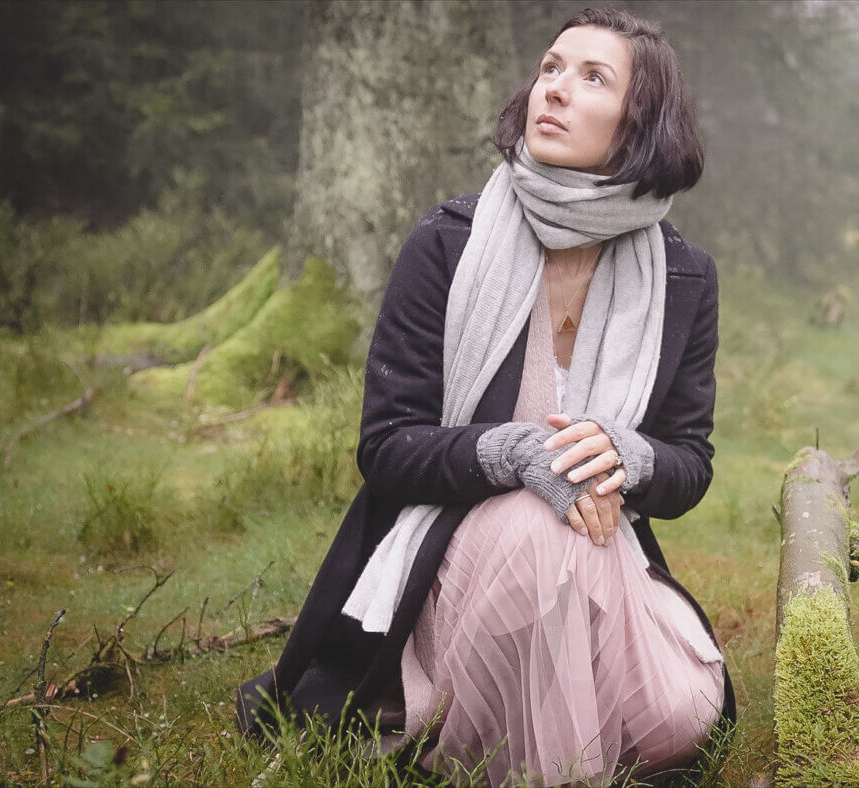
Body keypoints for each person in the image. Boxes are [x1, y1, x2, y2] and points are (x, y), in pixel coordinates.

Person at [235, 6, 735, 785]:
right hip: (453, 555)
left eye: (592, 77)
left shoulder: (684, 276)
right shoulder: (448, 242)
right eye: (550, 68)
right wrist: (517, 453)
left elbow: (689, 464)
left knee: (677, 720)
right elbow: (387, 446)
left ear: (642, 123)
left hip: (600, 555)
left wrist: (625, 457)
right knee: (540, 523)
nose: (554, 89)